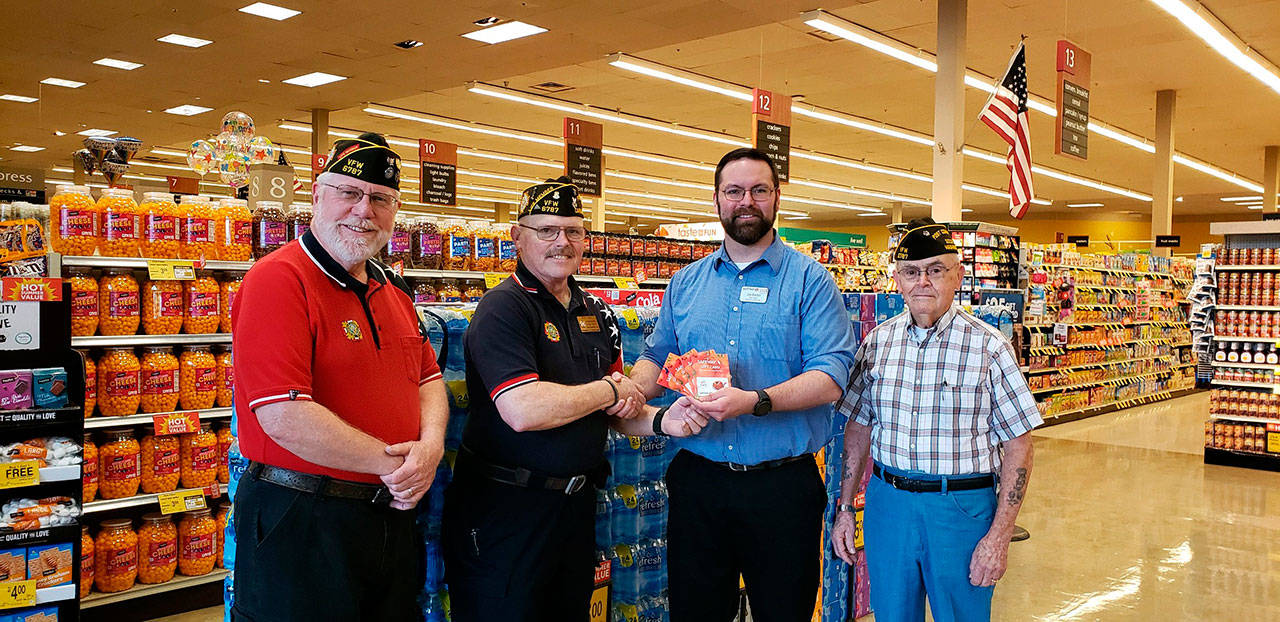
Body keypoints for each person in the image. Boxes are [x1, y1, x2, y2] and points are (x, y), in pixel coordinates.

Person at [442, 176, 708, 621]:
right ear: (517, 237)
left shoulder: (596, 312)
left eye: (573, 231)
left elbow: (616, 411)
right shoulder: (502, 308)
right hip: (506, 511)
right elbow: (523, 409)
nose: (561, 242)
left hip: (575, 510)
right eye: (546, 230)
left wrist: (665, 420)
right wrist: (609, 389)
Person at [629, 147, 857, 621]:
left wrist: (754, 402)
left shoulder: (811, 281)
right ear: (717, 200)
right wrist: (632, 392)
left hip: (782, 487)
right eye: (734, 191)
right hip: (699, 482)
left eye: (758, 190)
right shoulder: (686, 283)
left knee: (783, 611)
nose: (746, 201)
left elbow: (832, 375)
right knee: (696, 611)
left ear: (776, 198)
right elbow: (655, 355)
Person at [230, 132, 448, 621]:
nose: (364, 210)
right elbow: (284, 415)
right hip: (302, 517)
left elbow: (428, 379)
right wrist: (397, 467)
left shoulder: (393, 291)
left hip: (386, 515)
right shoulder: (277, 280)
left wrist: (430, 447)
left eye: (381, 199)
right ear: (316, 196)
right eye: (350, 193)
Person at [831, 217, 1041, 622]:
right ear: (897, 280)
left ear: (958, 276)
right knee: (891, 614)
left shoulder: (989, 347)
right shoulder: (877, 343)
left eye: (935, 270)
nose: (922, 282)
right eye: (911, 272)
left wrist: (999, 537)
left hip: (961, 510)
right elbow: (857, 429)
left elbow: (1020, 445)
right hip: (887, 505)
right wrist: (844, 507)